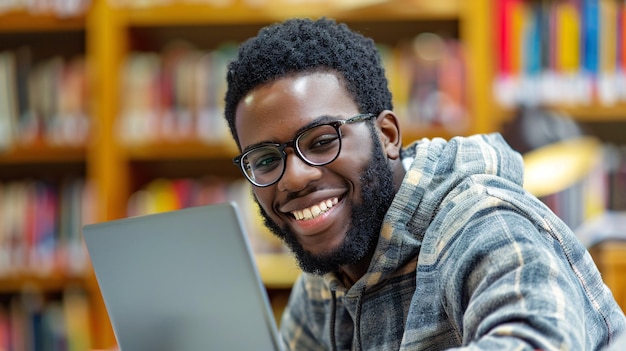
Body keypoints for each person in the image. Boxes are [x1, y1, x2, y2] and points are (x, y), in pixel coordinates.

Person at [223, 17, 626, 350]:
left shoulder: (486, 223)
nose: (294, 177)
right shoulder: (324, 282)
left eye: (323, 140)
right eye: (265, 159)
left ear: (387, 136)